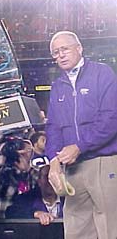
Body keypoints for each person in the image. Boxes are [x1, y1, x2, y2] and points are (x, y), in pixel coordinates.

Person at [45, 30, 117, 239]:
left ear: (79, 48)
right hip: (72, 167)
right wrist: (53, 160)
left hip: (103, 161)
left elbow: (111, 119)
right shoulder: (58, 86)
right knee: (76, 230)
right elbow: (53, 127)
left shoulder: (102, 74)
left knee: (110, 227)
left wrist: (79, 146)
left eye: (64, 49)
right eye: (55, 53)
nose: (60, 55)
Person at [0, 136, 39, 218]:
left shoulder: (34, 172)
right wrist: (1, 159)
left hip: (28, 221)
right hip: (2, 220)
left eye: (29, 150)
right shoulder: (4, 172)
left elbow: (43, 188)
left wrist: (27, 169)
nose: (27, 153)